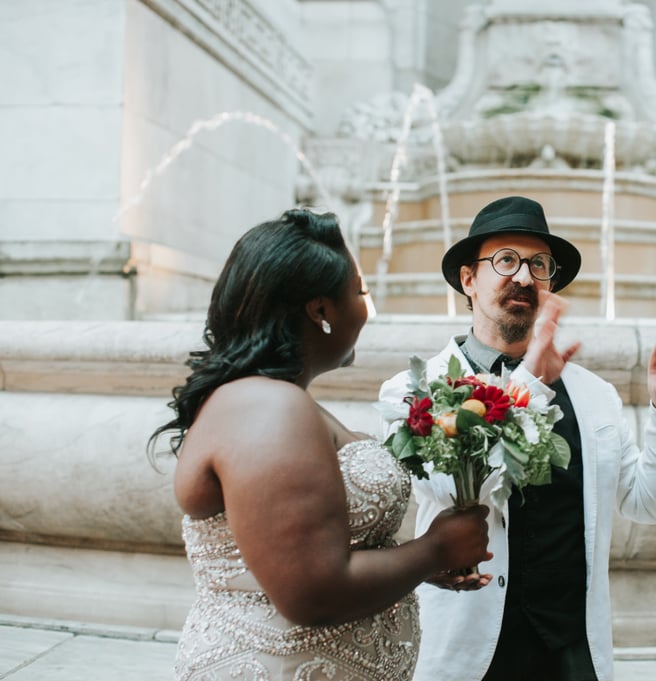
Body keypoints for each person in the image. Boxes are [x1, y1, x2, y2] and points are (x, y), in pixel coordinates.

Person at [149, 209, 491, 681]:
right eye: (360, 292)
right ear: (321, 311)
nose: (366, 309)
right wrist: (433, 550)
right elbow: (310, 593)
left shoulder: (272, 400)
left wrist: (408, 566)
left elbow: (304, 550)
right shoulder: (269, 407)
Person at [378, 196, 656, 681]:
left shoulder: (596, 395)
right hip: (471, 650)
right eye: (506, 260)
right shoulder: (413, 389)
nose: (525, 277)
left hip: (572, 654)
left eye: (539, 265)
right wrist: (531, 383)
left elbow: (644, 503)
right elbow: (452, 494)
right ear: (469, 279)